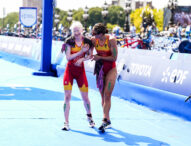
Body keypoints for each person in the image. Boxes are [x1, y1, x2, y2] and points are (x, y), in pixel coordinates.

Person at [62, 21, 95, 131]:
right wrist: (80, 52)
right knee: (67, 97)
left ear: (82, 30)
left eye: (78, 30)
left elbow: (90, 55)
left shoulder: (88, 42)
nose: (76, 33)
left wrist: (82, 58)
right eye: (74, 31)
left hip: (81, 71)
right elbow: (68, 57)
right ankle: (66, 122)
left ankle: (89, 117)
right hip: (70, 71)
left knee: (85, 97)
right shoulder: (69, 41)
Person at [91, 23, 118, 132]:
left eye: (95, 34)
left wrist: (99, 57)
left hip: (111, 69)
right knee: (102, 97)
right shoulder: (94, 40)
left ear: (102, 34)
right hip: (100, 69)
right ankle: (107, 119)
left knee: (107, 95)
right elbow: (87, 50)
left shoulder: (111, 40)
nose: (93, 35)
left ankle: (104, 120)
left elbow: (114, 58)